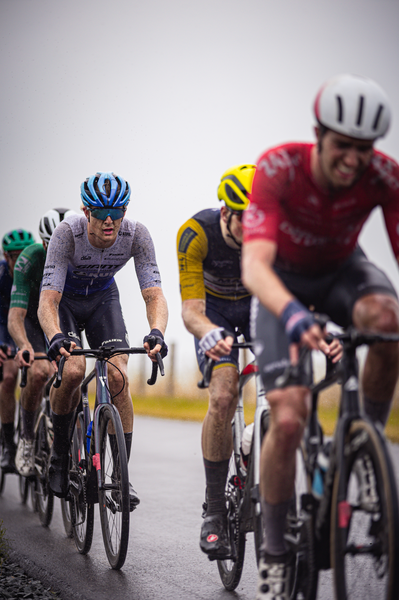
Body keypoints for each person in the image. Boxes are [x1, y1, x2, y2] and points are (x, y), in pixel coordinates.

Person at [241, 74, 399, 600]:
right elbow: (254, 267)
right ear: (318, 135)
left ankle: (363, 448)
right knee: (287, 418)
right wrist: (289, 314)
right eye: (341, 147)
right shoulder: (279, 168)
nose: (353, 161)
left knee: (386, 318)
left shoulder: (384, 177)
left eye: (363, 149)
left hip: (341, 274)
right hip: (280, 280)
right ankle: (276, 556)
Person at [37, 172, 168, 508]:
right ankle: (58, 456)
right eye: (101, 212)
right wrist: (54, 337)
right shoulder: (67, 234)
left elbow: (154, 294)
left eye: (118, 211)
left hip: (102, 299)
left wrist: (156, 332)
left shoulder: (137, 234)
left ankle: (121, 477)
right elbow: (47, 301)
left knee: (117, 374)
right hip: (65, 300)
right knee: (74, 371)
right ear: (86, 212)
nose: (110, 221)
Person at [176, 164, 256, 559]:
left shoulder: (269, 231)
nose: (255, 228)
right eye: (246, 220)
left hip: (258, 306)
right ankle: (214, 510)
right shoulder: (196, 234)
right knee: (224, 395)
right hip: (215, 316)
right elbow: (190, 311)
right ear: (226, 212)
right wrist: (206, 331)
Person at [8, 209, 76, 477]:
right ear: (43, 242)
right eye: (51, 244)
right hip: (35, 323)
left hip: (65, 320)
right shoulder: (30, 259)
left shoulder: (83, 256)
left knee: (73, 374)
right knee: (39, 372)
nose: (58, 250)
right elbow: (16, 315)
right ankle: (25, 438)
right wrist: (23, 344)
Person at [0, 229, 35, 473]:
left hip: (29, 324)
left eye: (24, 254)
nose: (19, 260)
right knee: (10, 376)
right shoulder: (1, 276)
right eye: (14, 256)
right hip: (4, 327)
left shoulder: (37, 271)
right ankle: (9, 445)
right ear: (6, 257)